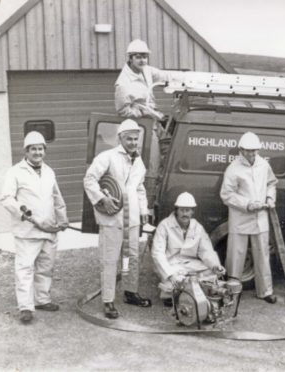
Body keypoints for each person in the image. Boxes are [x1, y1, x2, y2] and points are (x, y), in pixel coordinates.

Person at [83, 119, 151, 319]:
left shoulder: (139, 161)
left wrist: (144, 209)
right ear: (120, 138)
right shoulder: (107, 157)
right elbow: (89, 179)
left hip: (132, 221)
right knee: (110, 259)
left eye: (135, 139)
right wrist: (102, 198)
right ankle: (108, 300)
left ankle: (130, 292)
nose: (132, 142)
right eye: (128, 138)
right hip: (112, 219)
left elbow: (139, 187)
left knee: (131, 258)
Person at [0, 131, 69, 324]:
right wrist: (25, 216)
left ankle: (42, 300)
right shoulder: (15, 172)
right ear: (26, 151)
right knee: (25, 268)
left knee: (46, 267)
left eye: (40, 149)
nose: (37, 153)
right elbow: (6, 198)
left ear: (44, 151)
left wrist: (62, 220)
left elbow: (57, 198)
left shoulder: (49, 171)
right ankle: (25, 307)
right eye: (33, 149)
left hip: (49, 230)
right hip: (27, 231)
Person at [114, 39, 182, 219]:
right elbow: (123, 111)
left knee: (170, 154)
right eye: (138, 57)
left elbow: (165, 76)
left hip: (156, 121)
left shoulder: (148, 72)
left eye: (145, 56)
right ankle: (149, 207)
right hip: (143, 125)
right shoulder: (123, 83)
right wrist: (144, 112)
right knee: (151, 165)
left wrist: (183, 78)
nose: (142, 60)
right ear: (130, 58)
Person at [220, 132, 278, 304]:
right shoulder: (233, 168)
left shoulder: (263, 164)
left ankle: (265, 291)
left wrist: (269, 198)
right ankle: (231, 291)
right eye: (249, 151)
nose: (252, 154)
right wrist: (247, 204)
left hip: (260, 218)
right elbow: (226, 194)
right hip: (240, 218)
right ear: (241, 150)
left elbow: (271, 183)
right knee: (235, 256)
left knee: (262, 254)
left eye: (255, 151)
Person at [151, 192, 226, 306]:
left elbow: (206, 251)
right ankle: (180, 291)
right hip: (171, 264)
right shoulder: (164, 225)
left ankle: (192, 289)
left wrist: (215, 265)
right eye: (182, 210)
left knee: (212, 273)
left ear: (192, 212)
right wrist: (171, 275)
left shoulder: (197, 227)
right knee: (171, 287)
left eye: (188, 210)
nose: (185, 214)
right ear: (176, 210)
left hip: (190, 264)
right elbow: (157, 253)